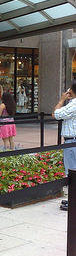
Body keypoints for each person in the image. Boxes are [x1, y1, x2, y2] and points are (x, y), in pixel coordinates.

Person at [53, 81, 76, 211]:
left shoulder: (73, 104)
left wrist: (62, 100)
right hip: (73, 141)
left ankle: (72, 200)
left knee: (71, 172)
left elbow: (55, 114)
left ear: (71, 91)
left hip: (72, 141)